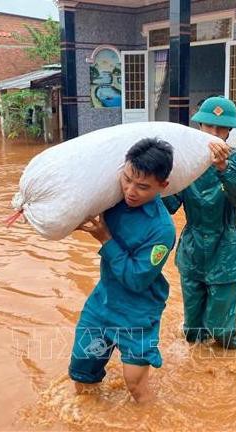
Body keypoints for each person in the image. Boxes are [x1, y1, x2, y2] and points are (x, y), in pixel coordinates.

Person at [68, 138, 176, 403]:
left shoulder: (162, 230)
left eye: (142, 187)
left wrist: (106, 239)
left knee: (135, 386)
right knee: (83, 377)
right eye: (127, 179)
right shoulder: (110, 199)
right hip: (103, 304)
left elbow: (136, 280)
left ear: (163, 186)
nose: (130, 191)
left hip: (138, 313)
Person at [163, 96, 236, 350]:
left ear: (229, 131)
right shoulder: (185, 162)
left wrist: (224, 168)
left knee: (222, 331)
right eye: (209, 127)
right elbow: (168, 205)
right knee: (193, 332)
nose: (214, 134)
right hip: (193, 250)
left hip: (226, 250)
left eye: (220, 129)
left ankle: (233, 366)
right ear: (199, 127)